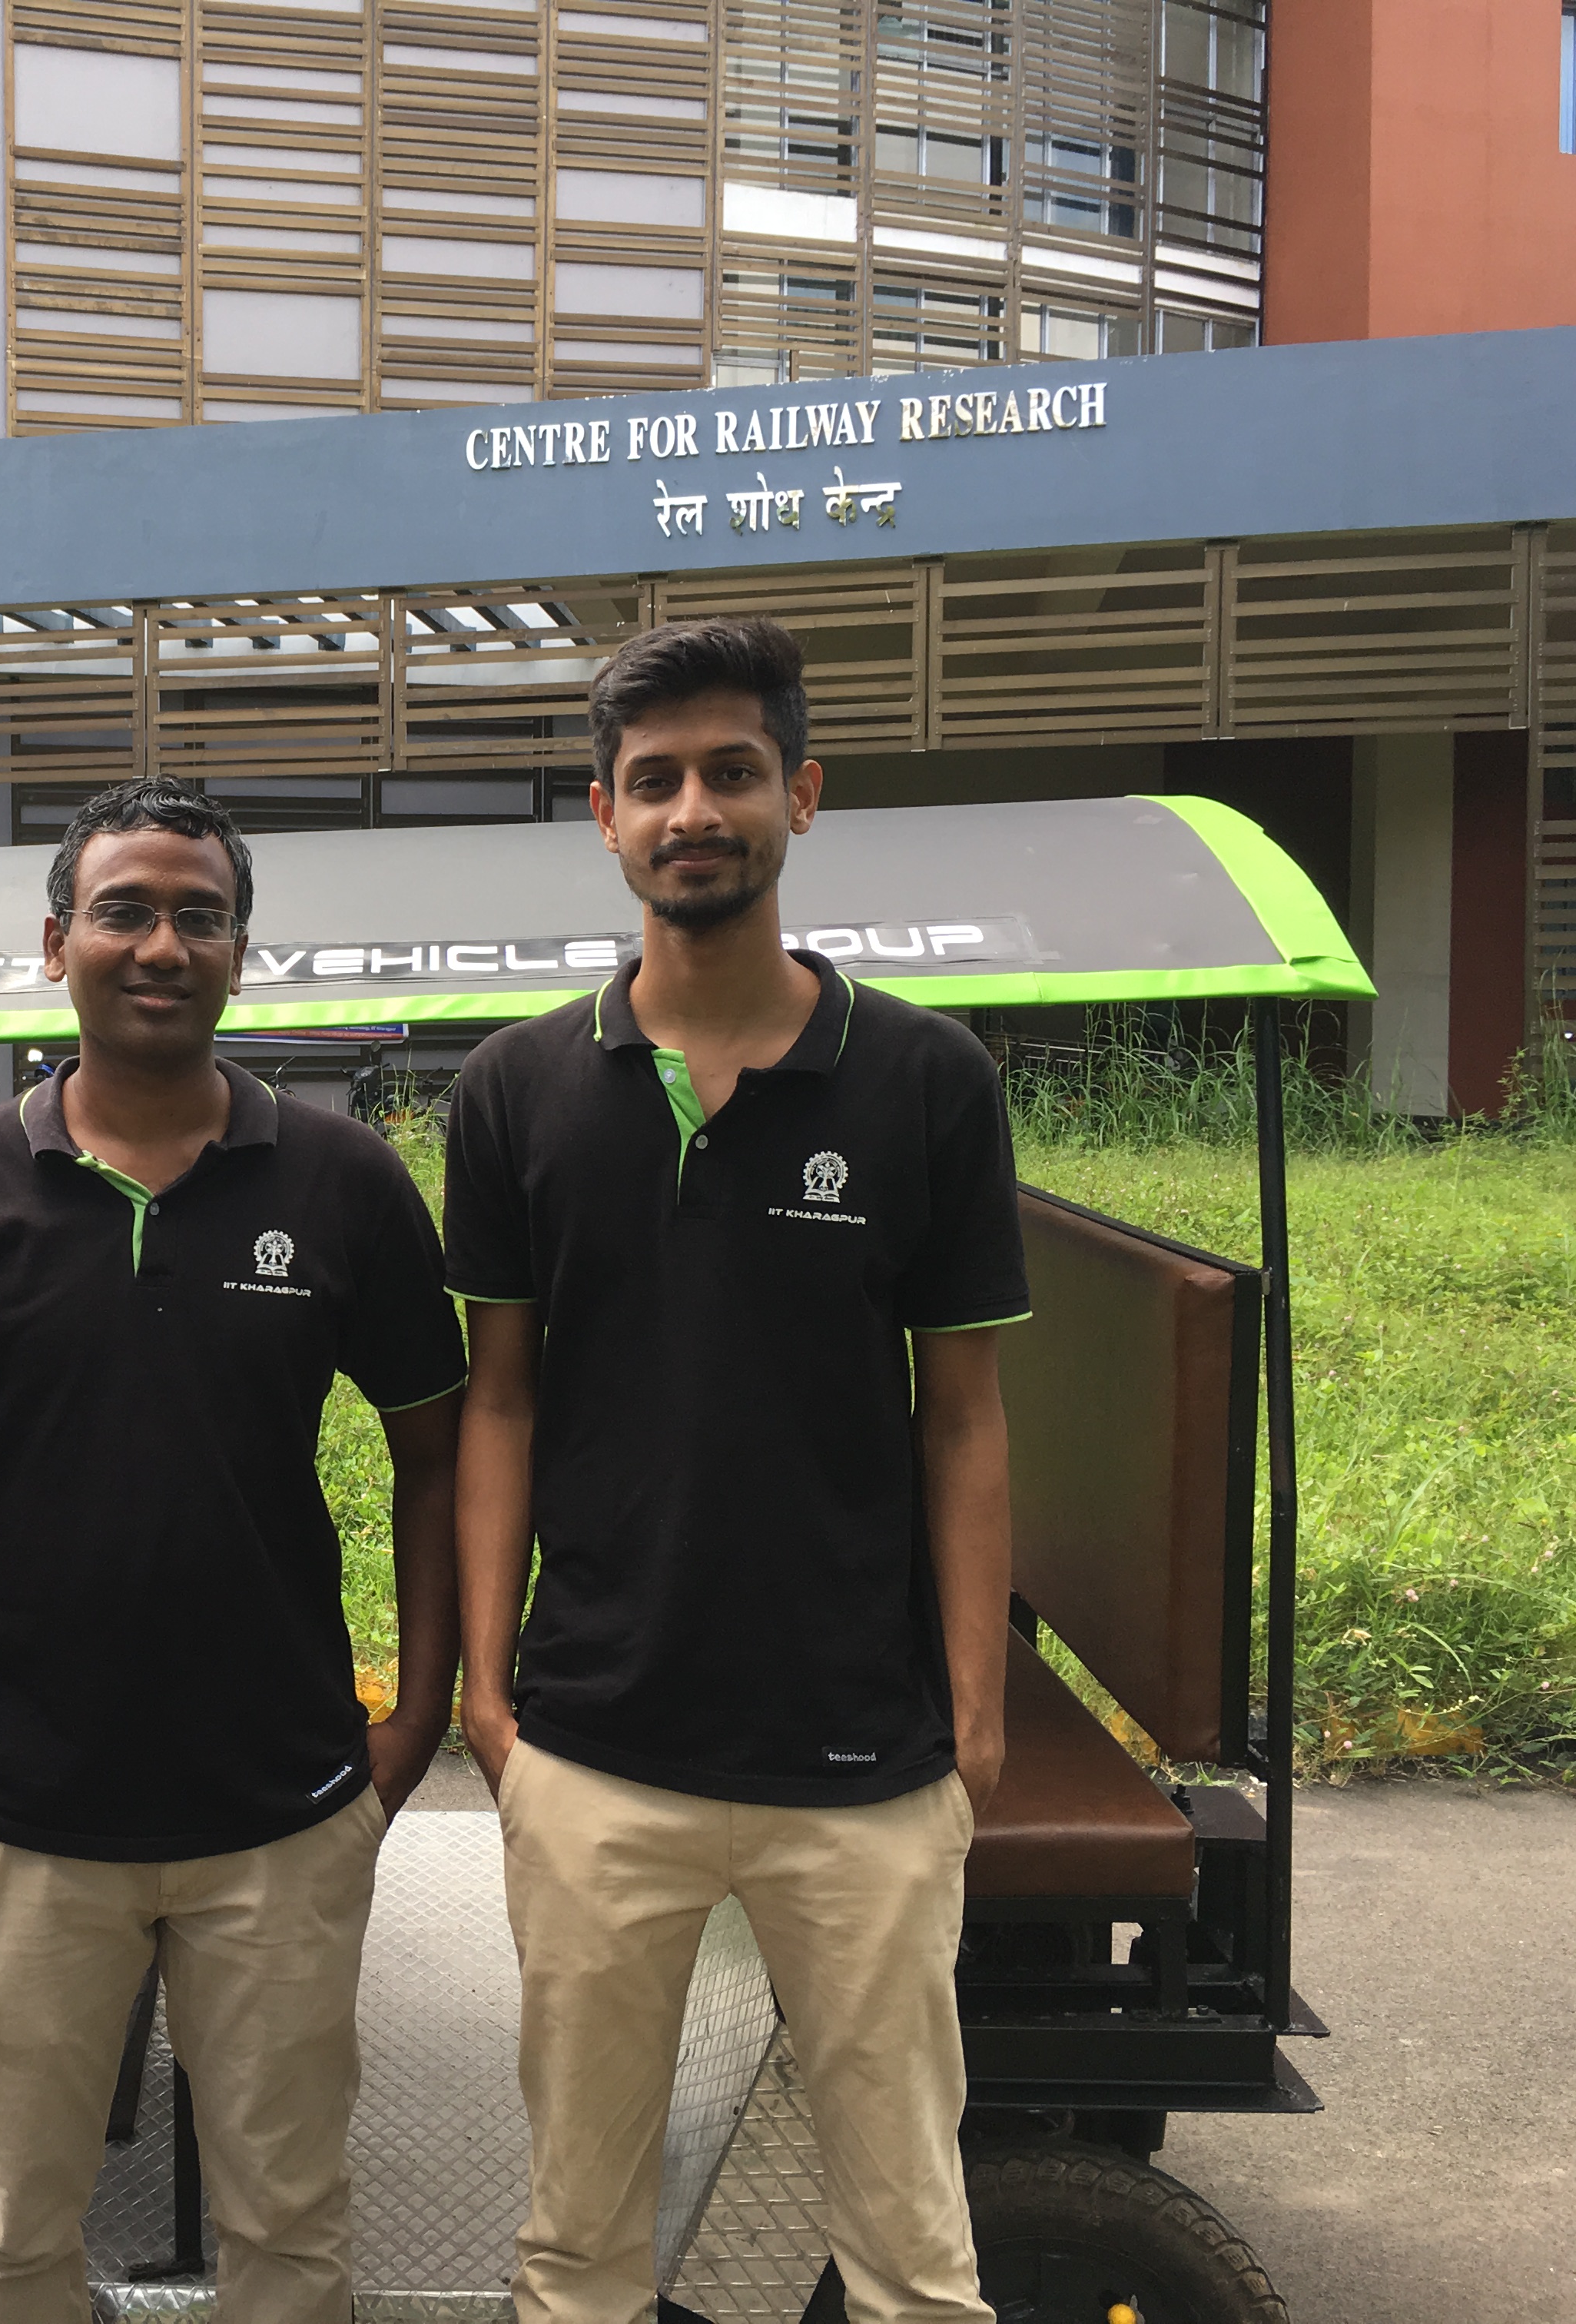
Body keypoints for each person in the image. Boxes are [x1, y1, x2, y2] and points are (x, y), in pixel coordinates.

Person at [446, 619, 1028, 2324]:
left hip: (861, 1759)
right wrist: (494, 1699)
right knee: (578, 2251)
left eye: (731, 772)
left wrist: (973, 1718)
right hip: (598, 1749)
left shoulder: (926, 1082)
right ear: (605, 819)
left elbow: (968, 1413)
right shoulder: (517, 1090)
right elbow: (498, 1404)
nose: (693, 808)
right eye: (655, 781)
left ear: (803, 796)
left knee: (913, 2251)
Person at [0, 775, 468, 2324]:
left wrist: (418, 1717)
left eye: (200, 914)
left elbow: (435, 1444)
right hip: (18, 1812)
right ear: (59, 943)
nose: (161, 941)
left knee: (290, 2244)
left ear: (243, 953)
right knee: (11, 2248)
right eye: (125, 909)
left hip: (285, 1812)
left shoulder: (343, 1185)